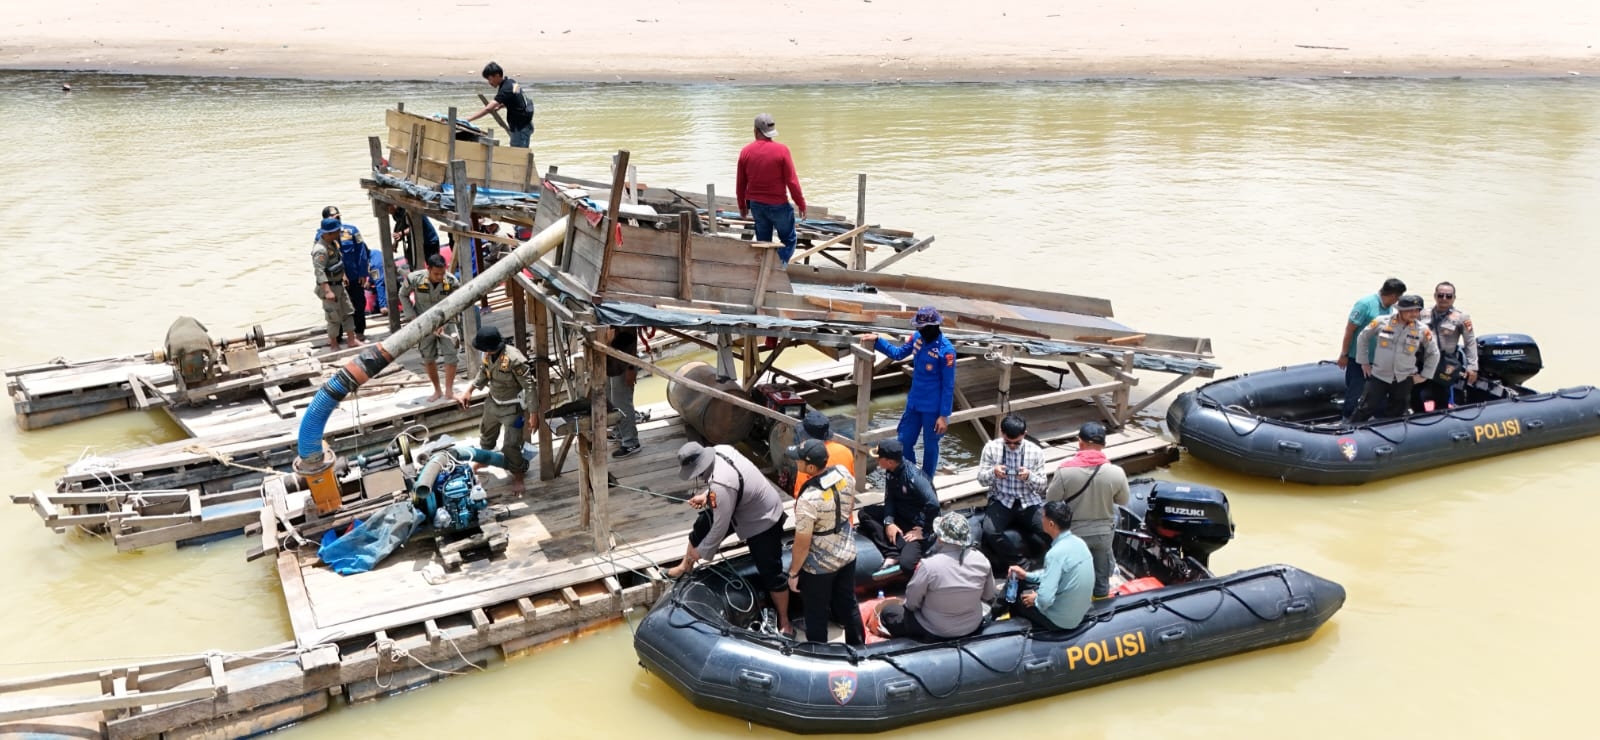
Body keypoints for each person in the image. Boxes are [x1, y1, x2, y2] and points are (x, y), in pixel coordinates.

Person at [668, 441, 792, 634]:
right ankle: (685, 565)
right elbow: (726, 487)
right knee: (702, 524)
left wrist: (701, 552)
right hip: (739, 504)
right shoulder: (721, 450)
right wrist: (706, 495)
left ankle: (785, 621)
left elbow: (720, 526)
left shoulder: (721, 486)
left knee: (770, 571)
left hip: (763, 517)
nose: (698, 476)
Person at [860, 306, 956, 478]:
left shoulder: (946, 351)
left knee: (930, 446)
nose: (919, 331)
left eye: (922, 328)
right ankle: (910, 475)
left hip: (933, 409)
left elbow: (948, 385)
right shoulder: (917, 338)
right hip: (914, 403)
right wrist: (878, 340)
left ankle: (926, 481)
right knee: (904, 441)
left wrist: (943, 415)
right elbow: (897, 354)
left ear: (933, 327)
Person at [786, 439, 864, 646]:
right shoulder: (844, 474)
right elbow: (850, 506)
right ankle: (859, 647)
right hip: (847, 553)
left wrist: (793, 573)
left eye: (799, 461)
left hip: (819, 566)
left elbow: (802, 543)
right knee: (849, 604)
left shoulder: (808, 499)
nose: (796, 463)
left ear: (810, 467)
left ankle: (819, 654)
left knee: (816, 612)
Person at [880, 512, 996, 641]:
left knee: (889, 612)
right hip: (972, 626)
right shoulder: (981, 560)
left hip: (935, 630)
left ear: (941, 538)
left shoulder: (929, 566)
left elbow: (912, 603)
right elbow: (989, 595)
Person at [1046, 421, 1129, 599]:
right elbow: (1123, 500)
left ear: (1080, 442)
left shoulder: (1064, 471)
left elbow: (1051, 501)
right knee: (1101, 582)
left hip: (1074, 535)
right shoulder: (1116, 472)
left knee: (1072, 578)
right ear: (1103, 445)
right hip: (1103, 535)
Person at [456, 326, 534, 494]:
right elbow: (483, 372)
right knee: (486, 433)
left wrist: (533, 414)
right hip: (493, 403)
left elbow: (529, 387)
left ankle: (518, 474)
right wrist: (470, 390)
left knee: (510, 445)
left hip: (512, 407)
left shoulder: (515, 360)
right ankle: (484, 459)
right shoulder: (489, 354)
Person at [976, 413, 1048, 574]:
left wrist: (1030, 477)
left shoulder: (1035, 451)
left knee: (1050, 530)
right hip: (1002, 499)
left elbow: (1042, 486)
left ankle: (1048, 564)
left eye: (1017, 443)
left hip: (1028, 500)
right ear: (1002, 433)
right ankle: (1021, 564)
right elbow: (981, 479)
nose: (1012, 446)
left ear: (1025, 434)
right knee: (989, 531)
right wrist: (993, 473)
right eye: (1008, 443)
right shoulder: (991, 448)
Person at [1006, 501, 1095, 632]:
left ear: (1051, 524)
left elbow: (1044, 600)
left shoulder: (1055, 554)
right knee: (1027, 584)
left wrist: (1035, 600)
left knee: (1019, 599)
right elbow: (1054, 574)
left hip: (1060, 622)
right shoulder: (1079, 543)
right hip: (1077, 614)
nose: (1041, 520)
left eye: (1043, 517)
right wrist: (1027, 575)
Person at [1352, 294, 1440, 422]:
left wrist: (1425, 375)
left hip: (1404, 378)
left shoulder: (1422, 329)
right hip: (1379, 375)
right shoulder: (1381, 321)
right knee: (1364, 408)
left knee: (1396, 412)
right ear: (1400, 310)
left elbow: (1434, 353)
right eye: (1410, 310)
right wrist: (1364, 362)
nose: (1414, 314)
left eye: (1417, 310)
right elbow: (1363, 337)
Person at [856, 440, 939, 574]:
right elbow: (889, 498)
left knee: (907, 564)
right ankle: (892, 553)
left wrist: (924, 530)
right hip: (901, 515)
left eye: (879, 458)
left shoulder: (914, 477)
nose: (876, 461)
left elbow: (934, 504)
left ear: (889, 461)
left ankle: (906, 546)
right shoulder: (891, 471)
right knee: (864, 513)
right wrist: (889, 522)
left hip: (916, 525)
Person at [735, 112, 807, 264]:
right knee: (789, 239)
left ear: (755, 131)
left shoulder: (745, 152)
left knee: (763, 243)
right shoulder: (782, 151)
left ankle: (767, 271)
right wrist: (801, 203)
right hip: (778, 205)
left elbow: (740, 184)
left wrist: (742, 206)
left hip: (756, 205)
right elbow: (792, 182)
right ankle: (778, 267)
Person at [1337, 278, 1406, 422]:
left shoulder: (1390, 309)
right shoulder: (1365, 305)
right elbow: (1349, 330)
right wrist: (1344, 354)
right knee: (1354, 392)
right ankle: (1346, 420)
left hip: (1378, 361)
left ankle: (1377, 420)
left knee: (1378, 393)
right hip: (1357, 358)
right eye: (1399, 297)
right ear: (1394, 296)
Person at [399, 254, 462, 401]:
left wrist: (444, 323)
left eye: (442, 273)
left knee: (452, 355)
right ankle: (437, 390)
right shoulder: (415, 279)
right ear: (428, 269)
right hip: (423, 323)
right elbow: (403, 295)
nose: (440, 277)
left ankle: (449, 391)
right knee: (428, 357)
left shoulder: (452, 282)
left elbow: (457, 303)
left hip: (447, 320)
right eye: (436, 274)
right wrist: (413, 319)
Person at [316, 206, 373, 341]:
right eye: (334, 217)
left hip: (354, 276)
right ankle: (338, 335)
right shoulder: (322, 236)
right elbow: (319, 262)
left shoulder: (351, 230)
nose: (338, 219)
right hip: (334, 278)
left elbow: (361, 252)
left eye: (338, 216)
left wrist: (363, 273)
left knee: (358, 304)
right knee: (336, 307)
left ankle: (359, 331)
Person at [1418, 281, 1478, 409]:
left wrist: (1472, 366)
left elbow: (1470, 342)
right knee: (1416, 396)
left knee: (1442, 398)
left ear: (1454, 298)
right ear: (1435, 296)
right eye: (1440, 295)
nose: (1444, 299)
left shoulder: (1462, 317)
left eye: (1448, 296)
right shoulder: (1423, 314)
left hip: (1444, 364)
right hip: (1423, 361)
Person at [312, 217, 361, 350]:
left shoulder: (333, 244)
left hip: (339, 284)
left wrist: (343, 275)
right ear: (329, 233)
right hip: (330, 286)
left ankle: (352, 339)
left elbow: (338, 262)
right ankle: (334, 344)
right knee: (333, 316)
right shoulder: (320, 250)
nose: (339, 233)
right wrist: (327, 291)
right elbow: (319, 271)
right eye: (336, 231)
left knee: (348, 311)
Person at [467, 62, 535, 148]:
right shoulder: (512, 82)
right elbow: (518, 98)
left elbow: (488, 109)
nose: (489, 82)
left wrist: (468, 119)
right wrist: (501, 106)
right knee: (520, 154)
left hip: (520, 128)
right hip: (526, 124)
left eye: (490, 79)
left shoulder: (505, 89)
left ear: (497, 75)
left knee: (517, 155)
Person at [789, 410, 855, 496]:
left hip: (818, 504)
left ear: (805, 436)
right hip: (844, 498)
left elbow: (799, 495)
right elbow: (851, 479)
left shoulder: (807, 460)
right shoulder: (845, 451)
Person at [606, 326, 642, 459]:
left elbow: (631, 346)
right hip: (610, 365)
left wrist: (631, 368)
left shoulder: (624, 319)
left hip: (623, 366)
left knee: (622, 403)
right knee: (610, 400)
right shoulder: (605, 314)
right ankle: (619, 432)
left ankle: (631, 442)